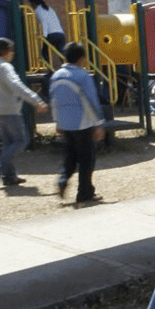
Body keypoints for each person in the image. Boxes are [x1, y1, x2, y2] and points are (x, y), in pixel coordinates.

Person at [0, 37, 47, 187]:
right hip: (9, 109)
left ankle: (9, 176)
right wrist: (36, 100)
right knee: (21, 141)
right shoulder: (5, 67)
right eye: (11, 50)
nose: (12, 54)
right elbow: (17, 86)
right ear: (4, 52)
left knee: (8, 143)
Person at [49, 42, 105, 205]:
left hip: (65, 122)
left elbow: (53, 102)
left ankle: (62, 179)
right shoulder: (83, 76)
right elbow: (91, 102)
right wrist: (98, 124)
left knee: (70, 156)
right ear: (81, 59)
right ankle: (85, 193)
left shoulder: (56, 75)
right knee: (87, 159)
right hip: (82, 123)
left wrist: (57, 122)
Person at [28, 0, 66, 68]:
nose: (30, 6)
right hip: (60, 33)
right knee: (61, 51)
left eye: (30, 3)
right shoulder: (48, 8)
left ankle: (50, 69)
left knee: (45, 52)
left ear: (33, 3)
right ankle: (67, 66)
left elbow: (44, 22)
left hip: (51, 34)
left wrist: (44, 35)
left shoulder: (38, 10)